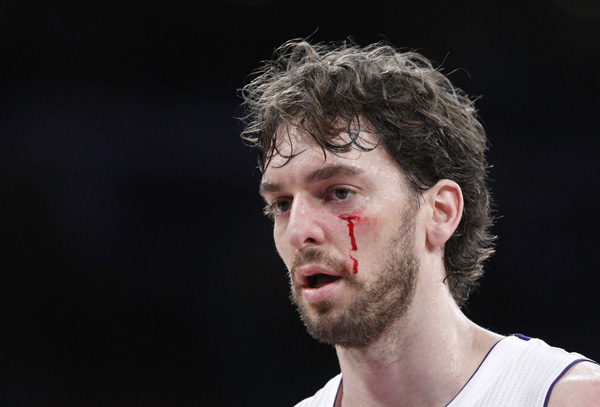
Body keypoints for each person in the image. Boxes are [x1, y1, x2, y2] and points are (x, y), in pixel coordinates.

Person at [238, 39, 600, 407]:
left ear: (440, 212)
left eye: (339, 193)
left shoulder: (569, 397)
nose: (299, 231)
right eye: (281, 204)